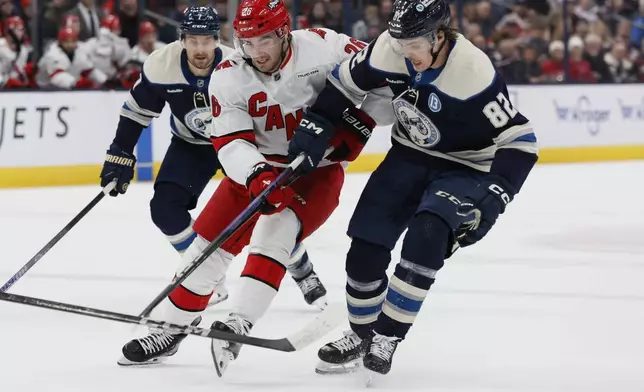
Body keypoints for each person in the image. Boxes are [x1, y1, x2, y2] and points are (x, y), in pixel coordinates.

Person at [116, 0, 391, 372]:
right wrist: (256, 173)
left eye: (264, 40)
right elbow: (230, 141)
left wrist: (358, 124)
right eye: (247, 41)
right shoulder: (228, 74)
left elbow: (384, 74)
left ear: (283, 32)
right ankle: (171, 328)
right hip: (256, 170)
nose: (255, 52)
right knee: (205, 248)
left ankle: (237, 323)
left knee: (275, 235)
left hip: (317, 173)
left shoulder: (325, 46)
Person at [288, 0, 539, 376]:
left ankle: (387, 336)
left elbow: (521, 140)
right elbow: (345, 81)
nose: (407, 53)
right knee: (364, 251)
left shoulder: (472, 73)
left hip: (466, 166)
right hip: (408, 154)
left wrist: (497, 194)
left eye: (416, 44)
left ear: (439, 37)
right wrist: (318, 121)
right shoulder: (390, 47)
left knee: (427, 234)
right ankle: (361, 334)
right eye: (401, 42)